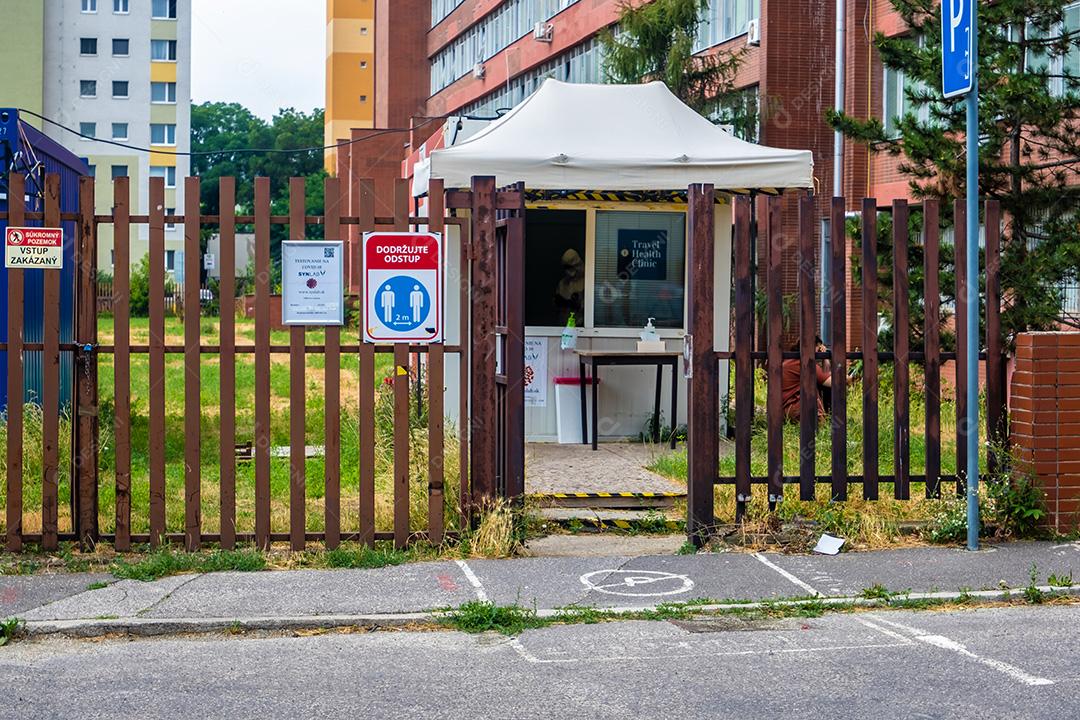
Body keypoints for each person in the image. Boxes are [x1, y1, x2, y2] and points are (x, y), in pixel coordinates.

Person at [781, 336, 833, 423]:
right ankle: (822, 421)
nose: (819, 350)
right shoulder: (805, 364)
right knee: (821, 387)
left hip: (783, 410)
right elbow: (831, 383)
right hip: (796, 409)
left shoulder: (791, 360)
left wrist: (824, 358)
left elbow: (825, 375)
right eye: (819, 347)